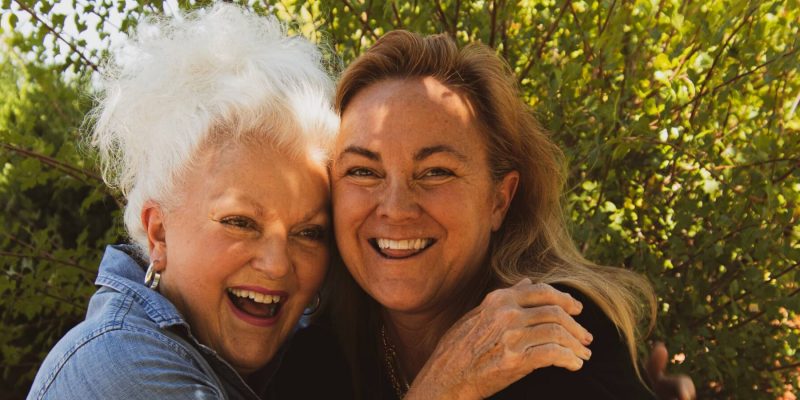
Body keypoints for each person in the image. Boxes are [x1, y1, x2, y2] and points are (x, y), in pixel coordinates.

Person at [321, 30, 695, 399]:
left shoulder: (551, 335)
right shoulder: (321, 342)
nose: (396, 209)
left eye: (436, 172)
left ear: (499, 200)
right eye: (363, 172)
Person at [27, 4, 350, 399]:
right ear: (159, 233)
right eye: (240, 222)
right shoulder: (121, 367)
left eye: (309, 232)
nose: (278, 264)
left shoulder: (294, 355)